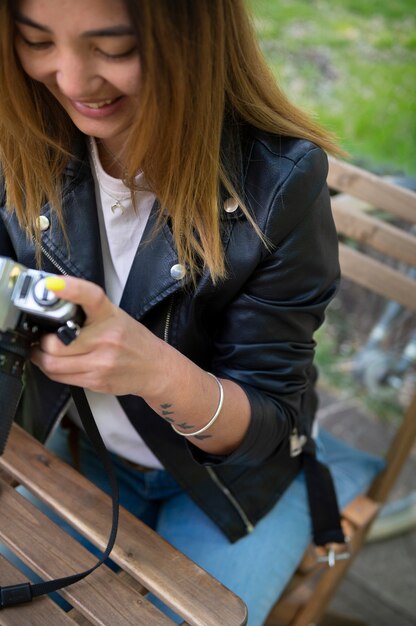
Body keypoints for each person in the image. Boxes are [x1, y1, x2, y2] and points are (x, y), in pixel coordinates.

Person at [0, 0, 384, 623]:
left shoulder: (278, 182)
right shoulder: (22, 135)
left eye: (114, 48)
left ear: (194, 42)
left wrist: (153, 369)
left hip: (234, 492)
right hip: (76, 450)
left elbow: (267, 420)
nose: (71, 80)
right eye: (36, 41)